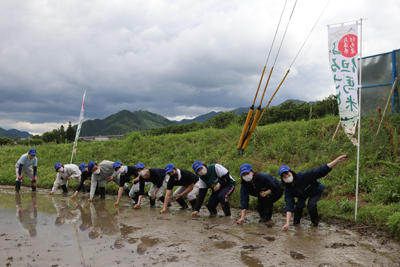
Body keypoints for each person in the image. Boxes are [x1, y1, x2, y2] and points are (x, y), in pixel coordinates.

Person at [280, 155, 348, 230]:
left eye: (287, 174)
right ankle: (296, 224)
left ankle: (315, 225)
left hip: (315, 190)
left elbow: (319, 171)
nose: (287, 177)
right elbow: (289, 205)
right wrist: (287, 223)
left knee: (311, 205)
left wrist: (336, 160)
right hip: (302, 194)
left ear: (291, 172)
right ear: (282, 179)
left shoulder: (303, 176)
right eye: (284, 176)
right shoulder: (288, 189)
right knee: (299, 206)